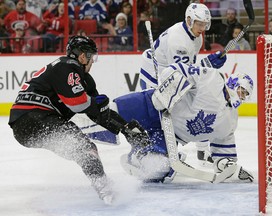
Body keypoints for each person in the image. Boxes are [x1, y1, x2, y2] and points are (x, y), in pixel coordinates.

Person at [8, 36, 150, 205]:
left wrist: (125, 128)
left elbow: (97, 113)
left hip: (24, 128)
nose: (92, 62)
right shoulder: (68, 66)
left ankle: (102, 184)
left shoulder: (79, 76)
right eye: (92, 57)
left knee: (82, 150)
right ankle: (106, 191)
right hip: (36, 117)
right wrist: (96, 104)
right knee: (85, 149)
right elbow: (77, 103)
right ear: (83, 56)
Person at [111, 62, 254, 183]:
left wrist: (226, 165)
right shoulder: (212, 78)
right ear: (233, 83)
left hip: (169, 134)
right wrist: (168, 91)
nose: (242, 96)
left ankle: (137, 155)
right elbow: (175, 69)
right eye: (242, 90)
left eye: (245, 95)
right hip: (153, 107)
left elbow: (224, 152)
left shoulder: (230, 122)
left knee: (158, 167)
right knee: (110, 113)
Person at [139, 2, 227, 164]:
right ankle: (154, 153)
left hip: (168, 71)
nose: (202, 28)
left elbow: (188, 69)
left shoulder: (196, 36)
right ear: (188, 20)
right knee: (161, 115)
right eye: (199, 24)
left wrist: (205, 65)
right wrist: (207, 64)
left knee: (191, 103)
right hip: (154, 74)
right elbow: (180, 75)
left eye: (205, 24)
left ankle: (198, 148)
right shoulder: (178, 40)